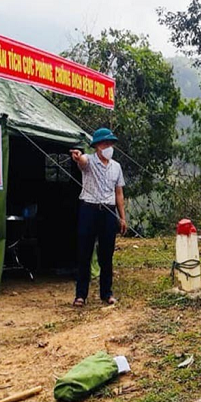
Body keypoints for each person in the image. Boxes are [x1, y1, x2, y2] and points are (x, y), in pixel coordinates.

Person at [70, 128, 127, 307]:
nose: (108, 146)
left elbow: (119, 193)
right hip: (89, 209)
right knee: (84, 253)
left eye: (110, 144)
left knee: (106, 255)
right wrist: (79, 156)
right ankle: (81, 295)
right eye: (104, 144)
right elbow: (82, 161)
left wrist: (122, 217)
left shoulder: (116, 167)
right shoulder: (90, 162)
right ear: (97, 147)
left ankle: (106, 293)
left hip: (108, 212)